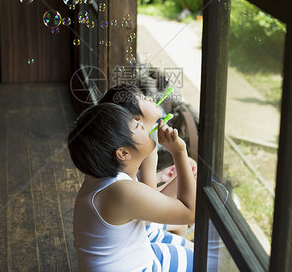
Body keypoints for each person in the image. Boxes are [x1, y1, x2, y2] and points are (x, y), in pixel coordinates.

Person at [68, 103, 196, 271]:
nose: (142, 124)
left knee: (197, 252)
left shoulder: (103, 179)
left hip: (134, 258)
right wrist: (179, 152)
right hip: (139, 267)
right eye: (137, 125)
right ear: (123, 153)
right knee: (209, 260)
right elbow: (189, 213)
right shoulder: (121, 191)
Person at [100, 85, 197, 237]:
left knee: (191, 167)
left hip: (135, 214)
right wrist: (178, 153)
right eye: (144, 99)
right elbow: (148, 206)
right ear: (135, 119)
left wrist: (160, 177)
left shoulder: (133, 148)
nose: (151, 99)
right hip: (137, 227)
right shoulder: (145, 149)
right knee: (182, 223)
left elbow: (146, 195)